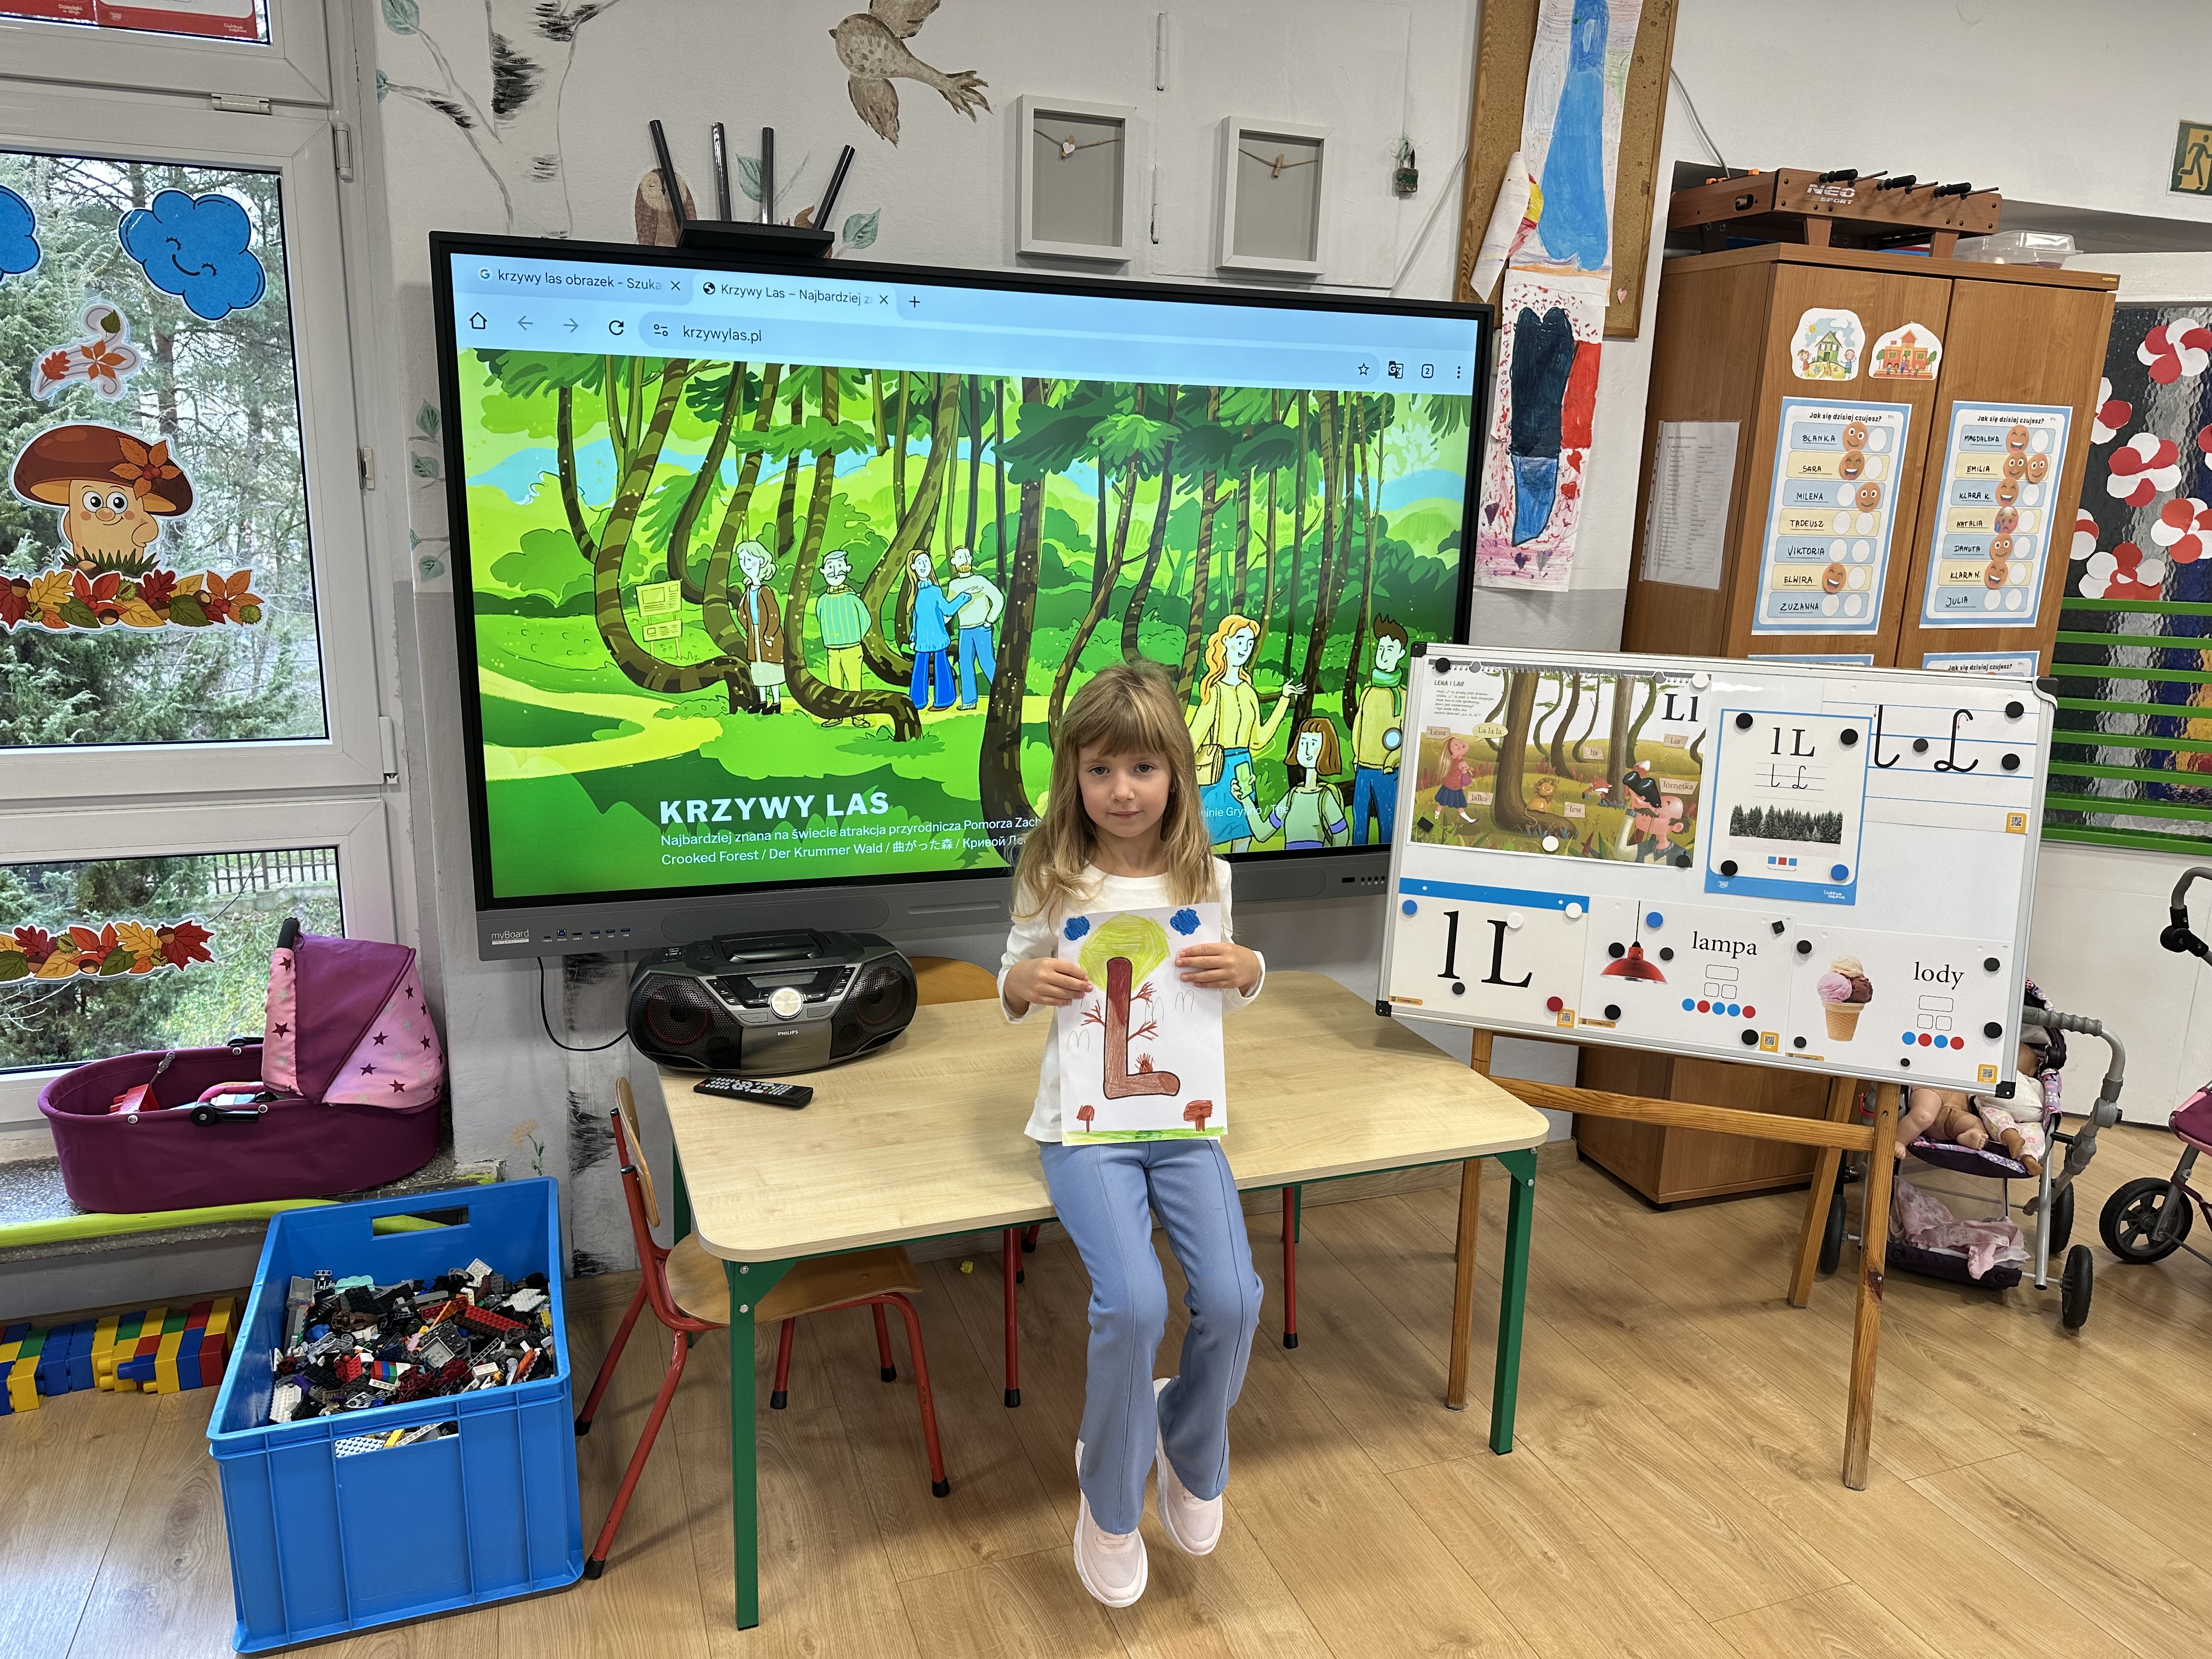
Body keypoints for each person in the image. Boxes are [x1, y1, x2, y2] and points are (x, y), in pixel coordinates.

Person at [999, 662, 1265, 1609]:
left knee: (1234, 1296)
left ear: (1177, 775)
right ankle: (1109, 1501)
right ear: (1073, 775)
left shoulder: (1207, 876)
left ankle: (1190, 1445)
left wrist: (1250, 966)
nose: (1121, 790)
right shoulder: (1053, 877)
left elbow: (1225, 987)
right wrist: (1024, 983)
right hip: (1085, 1128)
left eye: (1143, 768)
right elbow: (1010, 979)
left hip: (1182, 1122)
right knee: (1135, 1302)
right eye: (1100, 769)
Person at [1186, 614, 1303, 852]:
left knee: (1244, 838)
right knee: (1209, 841)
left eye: (1250, 643)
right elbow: (1192, 739)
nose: (1245, 648)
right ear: (1225, 641)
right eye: (1240, 640)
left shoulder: (1249, 691)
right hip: (1217, 770)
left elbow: (1259, 739)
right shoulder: (1215, 691)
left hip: (1244, 770)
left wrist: (1283, 699)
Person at [1232, 716, 1349, 849]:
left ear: (1326, 749)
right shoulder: (1292, 796)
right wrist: (1245, 799)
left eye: (1313, 744)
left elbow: (1342, 835)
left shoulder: (1325, 797)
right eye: (1303, 743)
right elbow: (1262, 833)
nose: (1307, 750)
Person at [1348, 618, 1409, 844]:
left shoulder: (1403, 696)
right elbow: (1359, 726)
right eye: (1381, 649)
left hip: (1387, 772)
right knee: (1359, 819)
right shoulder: (1368, 692)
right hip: (1363, 769)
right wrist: (1357, 756)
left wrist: (1393, 759)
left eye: (1390, 649)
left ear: (1401, 654)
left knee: (1388, 821)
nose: (1383, 655)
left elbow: (1407, 736)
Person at [812, 549, 871, 727]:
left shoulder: (852, 598)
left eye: (839, 566)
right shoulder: (822, 600)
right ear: (823, 571)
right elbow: (820, 618)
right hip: (832, 649)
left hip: (852, 648)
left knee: (854, 683)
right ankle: (836, 714)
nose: (835, 572)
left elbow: (866, 620)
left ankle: (858, 716)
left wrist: (855, 637)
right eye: (830, 567)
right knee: (835, 684)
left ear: (847, 569)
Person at [945, 545, 1004, 710]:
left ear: (971, 559)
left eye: (966, 556)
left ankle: (1002, 695)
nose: (964, 560)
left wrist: (989, 621)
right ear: (954, 562)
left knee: (987, 662)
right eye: (960, 557)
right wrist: (939, 622)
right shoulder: (954, 585)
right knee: (965, 664)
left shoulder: (980, 581)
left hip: (982, 629)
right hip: (964, 630)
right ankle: (969, 701)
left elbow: (998, 599)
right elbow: (949, 609)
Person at [733, 541, 786, 713]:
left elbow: (774, 615)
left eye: (749, 560)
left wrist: (769, 635)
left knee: (772, 668)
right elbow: (742, 612)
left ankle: (776, 702)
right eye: (742, 560)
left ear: (761, 561)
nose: (745, 564)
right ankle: (762, 701)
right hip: (754, 634)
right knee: (759, 668)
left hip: (767, 636)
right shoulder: (748, 590)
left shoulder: (765, 591)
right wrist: (748, 628)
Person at [907, 550, 956, 712]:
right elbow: (916, 617)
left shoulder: (935, 591)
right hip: (922, 640)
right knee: (919, 671)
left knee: (941, 667)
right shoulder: (916, 593)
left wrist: (963, 598)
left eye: (926, 561)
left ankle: (944, 700)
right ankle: (917, 701)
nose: (924, 565)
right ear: (913, 567)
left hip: (937, 636)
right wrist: (913, 636)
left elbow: (948, 610)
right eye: (920, 562)